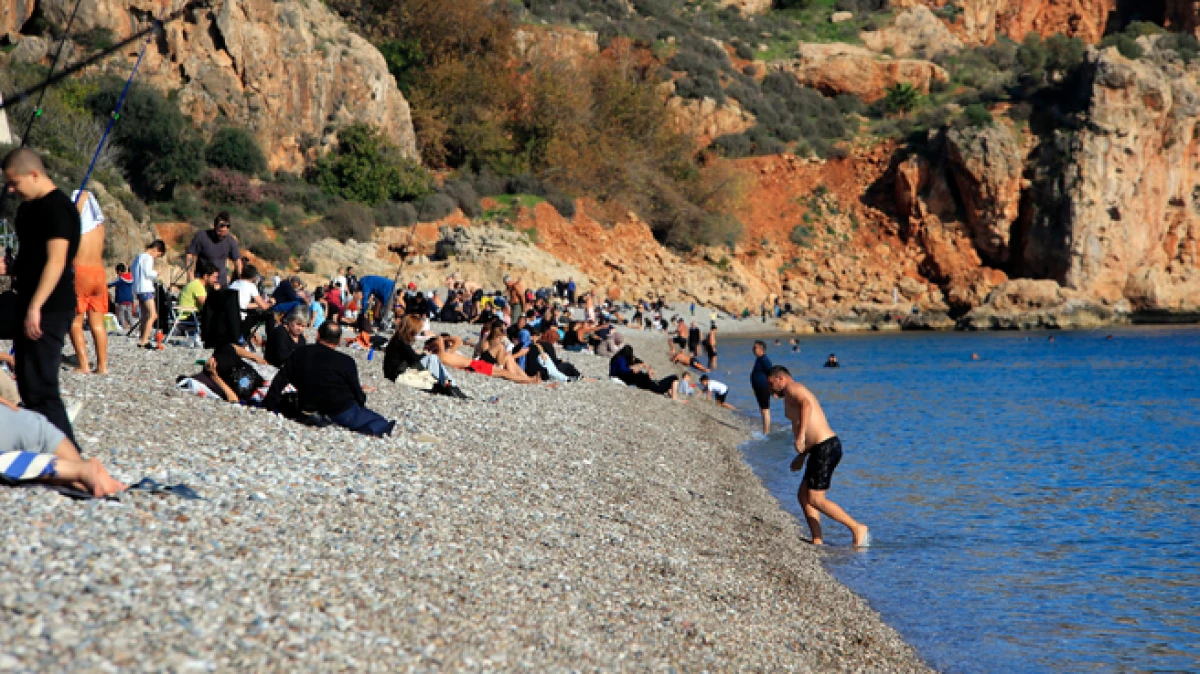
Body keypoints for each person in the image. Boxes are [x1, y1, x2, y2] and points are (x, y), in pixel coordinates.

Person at [0, 148, 81, 445]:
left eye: (14, 183)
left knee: (40, 387)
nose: (10, 190)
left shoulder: (58, 209)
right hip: (24, 300)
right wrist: (10, 267)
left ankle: (71, 459)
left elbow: (56, 262)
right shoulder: (28, 208)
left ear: (34, 175)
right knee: (29, 384)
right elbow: (32, 257)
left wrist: (36, 307)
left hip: (50, 307)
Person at [767, 365, 870, 547]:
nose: (770, 388)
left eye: (771, 383)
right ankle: (817, 539)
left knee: (816, 499)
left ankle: (857, 528)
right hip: (818, 448)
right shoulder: (789, 395)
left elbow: (806, 405)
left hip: (826, 447)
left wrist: (800, 437)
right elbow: (804, 422)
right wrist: (802, 455)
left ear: (781, 378)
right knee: (803, 496)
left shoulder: (792, 388)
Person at [282, 322, 394, 437]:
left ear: (318, 335)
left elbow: (281, 378)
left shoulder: (300, 352)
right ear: (339, 340)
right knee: (380, 422)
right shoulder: (346, 361)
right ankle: (363, 430)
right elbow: (357, 394)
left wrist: (270, 404)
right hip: (339, 410)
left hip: (306, 405)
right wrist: (361, 399)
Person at [0, 396, 126, 497]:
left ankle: (79, 471)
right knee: (86, 484)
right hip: (24, 421)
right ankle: (88, 474)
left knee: (79, 476)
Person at [67, 189, 109, 374]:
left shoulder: (75, 228)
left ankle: (84, 364)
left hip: (80, 273)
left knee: (75, 322)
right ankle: (102, 366)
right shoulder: (100, 229)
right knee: (97, 324)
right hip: (99, 274)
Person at [383, 315, 467, 397]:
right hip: (397, 374)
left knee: (432, 360)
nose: (417, 332)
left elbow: (408, 356)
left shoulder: (399, 339)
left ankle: (451, 385)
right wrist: (424, 354)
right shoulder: (401, 342)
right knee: (431, 378)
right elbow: (414, 359)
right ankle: (451, 385)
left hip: (399, 370)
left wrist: (420, 353)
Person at [185, 211, 241, 287]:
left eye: (224, 232)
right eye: (220, 231)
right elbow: (190, 255)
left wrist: (240, 279)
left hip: (220, 283)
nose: (222, 234)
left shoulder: (230, 241)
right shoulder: (201, 236)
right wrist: (190, 276)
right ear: (215, 226)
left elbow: (237, 261)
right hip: (201, 282)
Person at [131, 239, 166, 348]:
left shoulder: (139, 257)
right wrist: (156, 273)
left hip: (138, 289)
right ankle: (144, 340)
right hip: (146, 288)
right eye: (158, 255)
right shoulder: (148, 257)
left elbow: (132, 269)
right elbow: (148, 273)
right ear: (156, 250)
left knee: (145, 315)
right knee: (153, 314)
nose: (156, 257)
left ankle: (142, 338)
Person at [750, 340, 773, 436]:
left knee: (765, 410)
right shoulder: (759, 359)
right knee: (762, 410)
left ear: (761, 349)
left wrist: (772, 389)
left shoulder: (765, 360)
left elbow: (771, 373)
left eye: (755, 348)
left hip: (764, 388)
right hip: (759, 388)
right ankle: (765, 430)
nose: (753, 349)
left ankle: (766, 432)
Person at [108, 263, 135, 331]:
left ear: (119, 271)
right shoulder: (131, 278)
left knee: (121, 315)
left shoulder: (120, 279)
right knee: (129, 315)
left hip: (121, 300)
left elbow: (110, 284)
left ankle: (124, 328)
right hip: (130, 300)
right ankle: (133, 327)